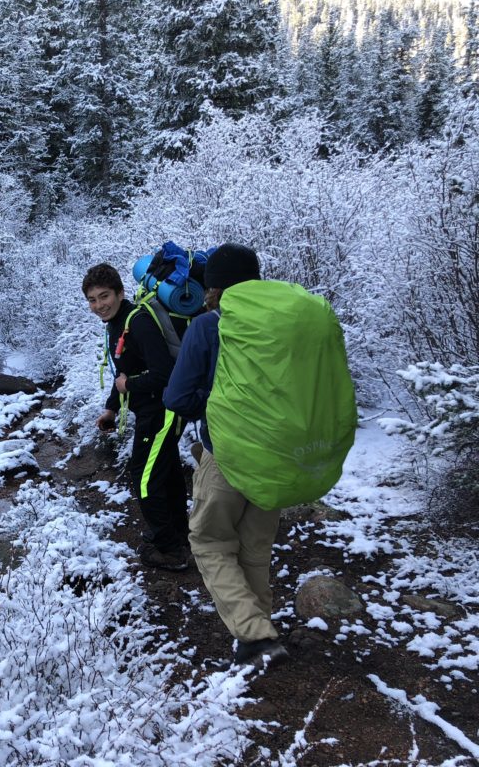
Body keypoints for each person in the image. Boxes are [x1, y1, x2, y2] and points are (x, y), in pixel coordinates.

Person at [163, 243, 289, 669]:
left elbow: (178, 398)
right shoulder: (284, 324)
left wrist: (214, 401)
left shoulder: (208, 325)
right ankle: (260, 636)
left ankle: (254, 637)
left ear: (212, 287)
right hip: (277, 455)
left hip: (228, 454)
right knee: (255, 548)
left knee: (210, 542)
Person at [82, 263, 189, 571]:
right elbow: (124, 371)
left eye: (104, 296)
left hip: (162, 410)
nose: (99, 305)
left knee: (144, 478)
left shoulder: (138, 322)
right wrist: (111, 408)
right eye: (92, 300)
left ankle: (170, 551)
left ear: (120, 293)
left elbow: (164, 374)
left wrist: (128, 386)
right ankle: (177, 534)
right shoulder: (117, 323)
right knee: (167, 473)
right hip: (150, 409)